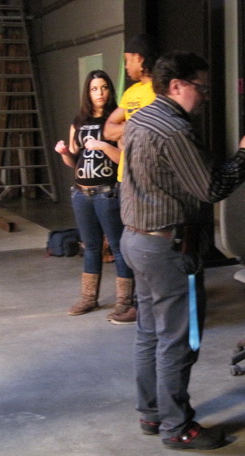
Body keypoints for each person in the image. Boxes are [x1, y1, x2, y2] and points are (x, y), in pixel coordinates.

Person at [120, 51, 245, 450]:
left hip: (137, 240)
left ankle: (152, 413)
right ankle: (177, 427)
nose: (204, 96)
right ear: (177, 85)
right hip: (166, 247)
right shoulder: (174, 131)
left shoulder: (141, 119)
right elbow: (212, 188)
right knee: (177, 339)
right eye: (201, 88)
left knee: (150, 332)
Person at [54, 70, 134, 318]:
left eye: (104, 87)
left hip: (107, 193)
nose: (99, 93)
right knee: (90, 246)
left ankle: (125, 301)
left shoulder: (115, 122)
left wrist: (102, 145)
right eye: (94, 89)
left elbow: (123, 159)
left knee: (118, 246)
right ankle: (89, 298)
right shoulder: (78, 122)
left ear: (110, 90)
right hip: (81, 193)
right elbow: (74, 161)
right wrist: (64, 153)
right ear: (87, 93)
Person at [102, 34, 159, 325]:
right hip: (125, 178)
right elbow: (109, 128)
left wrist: (128, 129)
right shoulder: (131, 92)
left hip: (147, 178)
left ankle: (146, 304)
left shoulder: (159, 90)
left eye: (127, 60)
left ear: (139, 58)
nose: (126, 67)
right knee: (130, 243)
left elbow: (154, 130)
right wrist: (131, 130)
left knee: (146, 244)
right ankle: (138, 302)